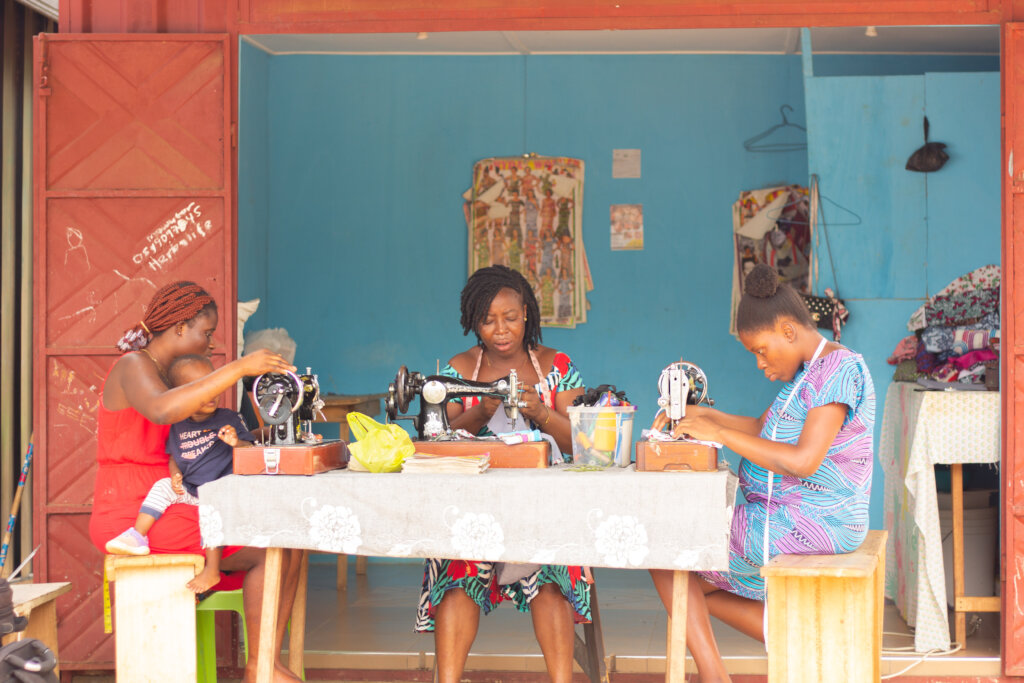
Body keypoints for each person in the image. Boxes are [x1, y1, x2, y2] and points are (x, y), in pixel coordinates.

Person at [649, 263, 875, 683]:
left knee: (666, 545)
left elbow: (803, 461)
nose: (759, 363)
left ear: (788, 331)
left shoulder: (838, 370)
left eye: (761, 350)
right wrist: (702, 415)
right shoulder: (809, 375)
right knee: (684, 577)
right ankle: (792, 640)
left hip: (813, 521)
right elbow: (760, 428)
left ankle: (715, 675)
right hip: (791, 515)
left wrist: (718, 433)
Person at [89, 280, 305, 683]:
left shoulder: (170, 376)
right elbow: (160, 410)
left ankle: (266, 664)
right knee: (266, 545)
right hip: (136, 511)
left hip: (175, 500)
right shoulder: (133, 366)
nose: (211, 343)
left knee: (289, 540)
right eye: (206, 333)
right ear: (179, 327)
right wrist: (238, 368)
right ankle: (261, 669)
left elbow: (205, 439)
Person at [417, 265, 589, 683]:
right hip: (473, 508)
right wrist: (479, 412)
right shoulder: (459, 368)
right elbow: (436, 440)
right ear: (473, 321)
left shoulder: (557, 366)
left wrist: (542, 412)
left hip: (544, 509)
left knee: (550, 573)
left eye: (510, 317)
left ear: (526, 312)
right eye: (488, 320)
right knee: (458, 571)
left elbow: (584, 443)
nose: (500, 330)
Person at [104, 354, 259, 595]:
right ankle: (137, 535)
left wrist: (236, 442)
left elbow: (251, 449)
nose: (210, 394)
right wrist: (175, 475)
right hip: (191, 489)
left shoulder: (229, 418)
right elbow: (174, 457)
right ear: (184, 394)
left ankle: (212, 570)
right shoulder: (179, 424)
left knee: (213, 506)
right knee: (162, 485)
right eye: (200, 388)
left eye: (212, 384)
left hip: (222, 491)